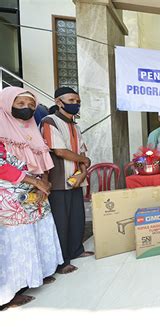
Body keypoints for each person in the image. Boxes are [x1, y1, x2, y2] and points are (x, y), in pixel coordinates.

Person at [0, 87, 63, 310]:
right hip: (10, 196)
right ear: (7, 105)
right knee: (16, 240)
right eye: (20, 104)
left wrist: (43, 180)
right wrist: (35, 181)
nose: (26, 109)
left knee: (39, 231)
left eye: (30, 105)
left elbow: (41, 157)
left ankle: (37, 274)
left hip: (35, 193)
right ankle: (9, 292)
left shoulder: (31, 129)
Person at [41, 87, 93, 274]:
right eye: (71, 100)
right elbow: (60, 151)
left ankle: (76, 250)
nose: (76, 104)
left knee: (76, 218)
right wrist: (83, 161)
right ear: (58, 102)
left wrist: (83, 172)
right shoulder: (49, 122)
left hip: (76, 179)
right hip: (59, 181)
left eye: (78, 101)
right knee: (61, 222)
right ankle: (62, 261)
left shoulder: (75, 126)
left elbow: (83, 153)